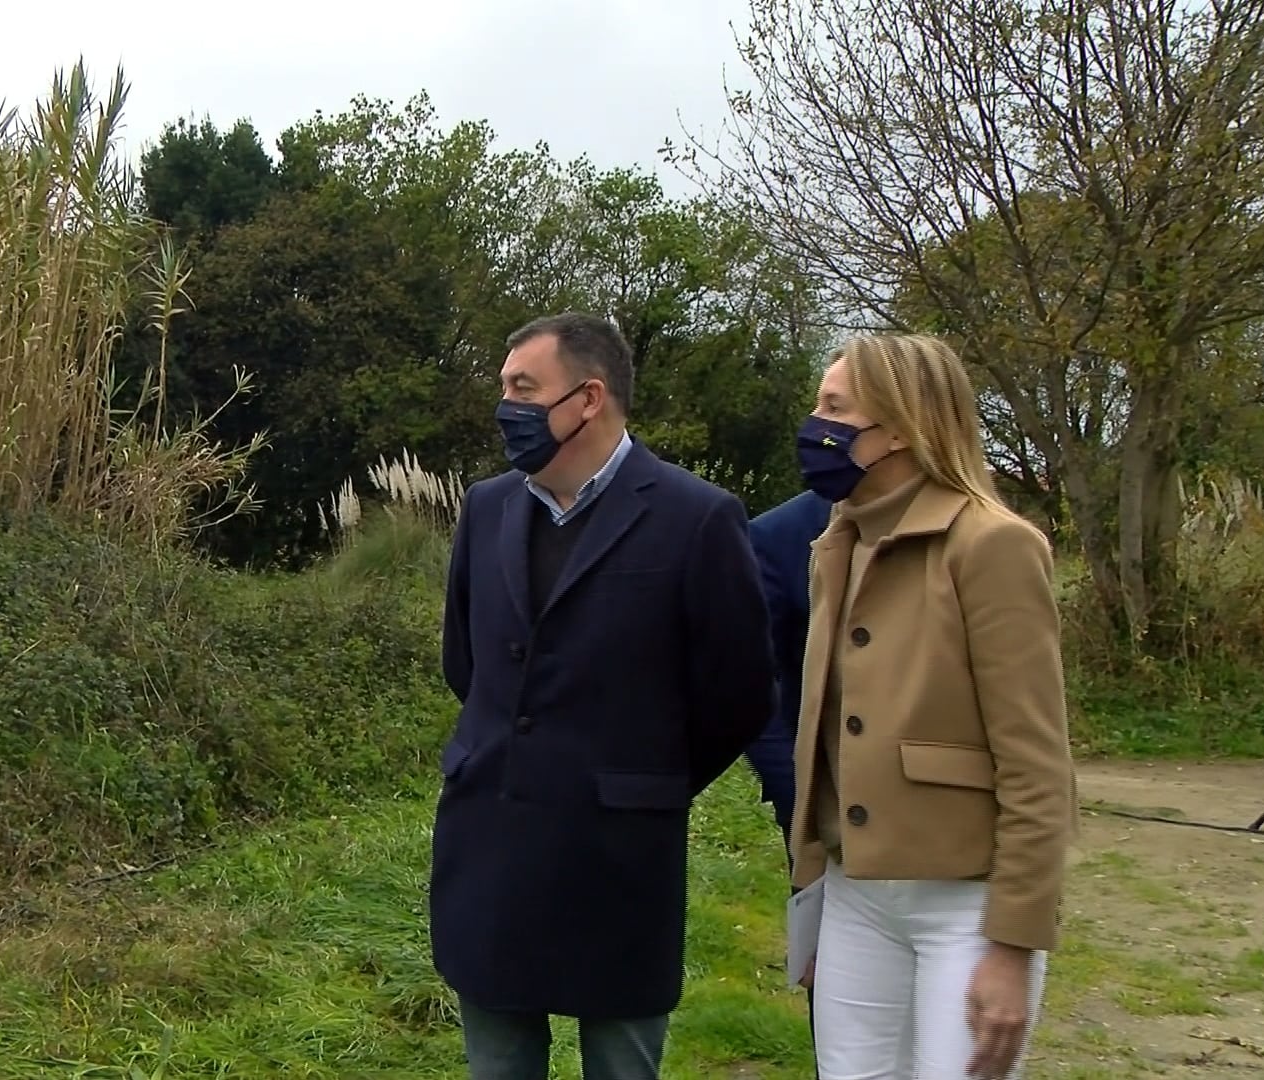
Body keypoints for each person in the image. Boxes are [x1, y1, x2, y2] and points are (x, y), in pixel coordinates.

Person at [429, 312, 777, 1080]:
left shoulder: (697, 518)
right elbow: (470, 661)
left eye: (524, 388)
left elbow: (739, 692)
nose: (506, 407)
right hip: (493, 848)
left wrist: (641, 780)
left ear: (587, 399)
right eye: (505, 388)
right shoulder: (487, 509)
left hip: (618, 864)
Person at [786, 334, 1078, 1080]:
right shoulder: (835, 544)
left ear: (902, 429)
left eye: (834, 407)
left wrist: (1012, 947)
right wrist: (814, 898)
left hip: (964, 906)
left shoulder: (992, 545)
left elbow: (1037, 765)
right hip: (857, 895)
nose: (816, 424)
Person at [743, 488, 835, 858]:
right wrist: (798, 791)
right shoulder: (779, 535)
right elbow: (750, 681)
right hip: (822, 811)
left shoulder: (984, 537)